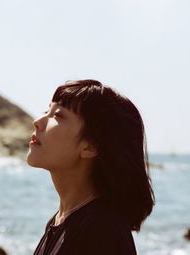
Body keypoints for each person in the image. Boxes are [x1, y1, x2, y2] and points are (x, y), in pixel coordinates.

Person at [27, 79, 154, 255]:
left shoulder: (102, 230)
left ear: (90, 147)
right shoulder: (61, 221)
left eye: (58, 115)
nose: (38, 121)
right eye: (47, 111)